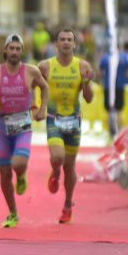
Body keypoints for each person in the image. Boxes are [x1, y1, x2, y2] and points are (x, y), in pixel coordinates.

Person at [0, 34, 48, 228]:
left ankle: (21, 175)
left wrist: (42, 108)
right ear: (5, 50)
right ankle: (12, 213)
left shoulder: (30, 71)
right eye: (12, 48)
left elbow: (44, 87)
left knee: (18, 163)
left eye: (18, 49)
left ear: (22, 52)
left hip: (23, 125)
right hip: (3, 127)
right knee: (3, 173)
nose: (15, 52)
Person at [39, 28, 94, 224]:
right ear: (56, 43)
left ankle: (68, 204)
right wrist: (37, 106)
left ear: (75, 44)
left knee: (70, 167)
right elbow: (33, 85)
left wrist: (87, 83)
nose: (65, 43)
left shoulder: (82, 66)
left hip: (74, 121)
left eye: (69, 40)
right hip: (54, 118)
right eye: (62, 39)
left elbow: (88, 99)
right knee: (58, 157)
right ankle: (55, 172)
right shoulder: (45, 66)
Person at [97, 48, 128, 136]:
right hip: (120, 86)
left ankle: (111, 131)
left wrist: (100, 81)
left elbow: (99, 72)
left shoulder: (105, 58)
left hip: (108, 86)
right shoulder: (124, 58)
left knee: (109, 109)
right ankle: (119, 131)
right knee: (119, 110)